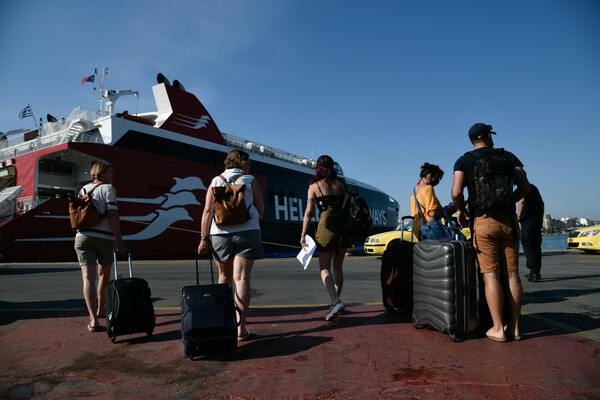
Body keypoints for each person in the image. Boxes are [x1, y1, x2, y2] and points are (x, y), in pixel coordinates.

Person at [451, 123, 530, 342]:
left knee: (490, 276)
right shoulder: (509, 157)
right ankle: (514, 327)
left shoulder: (464, 159)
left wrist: (461, 210)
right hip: (509, 222)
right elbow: (525, 188)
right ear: (489, 136)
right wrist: (508, 201)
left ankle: (497, 328)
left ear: (471, 140)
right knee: (513, 275)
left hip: (482, 222)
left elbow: (457, 192)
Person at [198, 149, 264, 341]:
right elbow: (260, 210)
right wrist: (250, 223)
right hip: (248, 233)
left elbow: (208, 211)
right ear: (242, 162)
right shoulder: (250, 180)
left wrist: (204, 238)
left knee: (224, 277)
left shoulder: (215, 181)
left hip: (219, 234)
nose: (249, 166)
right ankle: (240, 328)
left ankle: (223, 323)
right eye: (248, 162)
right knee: (242, 279)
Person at [74, 161, 125, 332]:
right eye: (110, 172)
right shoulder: (109, 189)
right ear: (101, 173)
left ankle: (93, 319)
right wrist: (120, 242)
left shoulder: (82, 190)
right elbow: (113, 215)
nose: (112, 175)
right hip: (105, 238)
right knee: (104, 275)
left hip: (83, 237)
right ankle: (100, 309)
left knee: (88, 278)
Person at [300, 155, 352, 321]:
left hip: (327, 227)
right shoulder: (342, 184)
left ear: (318, 169)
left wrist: (303, 234)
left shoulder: (314, 186)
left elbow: (309, 212)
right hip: (343, 227)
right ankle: (335, 303)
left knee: (324, 268)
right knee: (338, 267)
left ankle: (335, 300)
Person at [411, 162, 456, 241]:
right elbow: (432, 213)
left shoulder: (414, 191)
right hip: (431, 230)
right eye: (437, 178)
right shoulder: (428, 188)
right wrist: (450, 208)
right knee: (461, 242)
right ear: (430, 175)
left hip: (419, 232)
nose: (438, 181)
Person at [518, 183, 544, 282]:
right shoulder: (534, 188)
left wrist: (519, 216)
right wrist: (540, 218)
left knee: (528, 245)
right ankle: (536, 271)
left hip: (527, 220)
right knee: (537, 246)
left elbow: (522, 201)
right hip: (537, 220)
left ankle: (533, 273)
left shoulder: (523, 187)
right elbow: (542, 204)